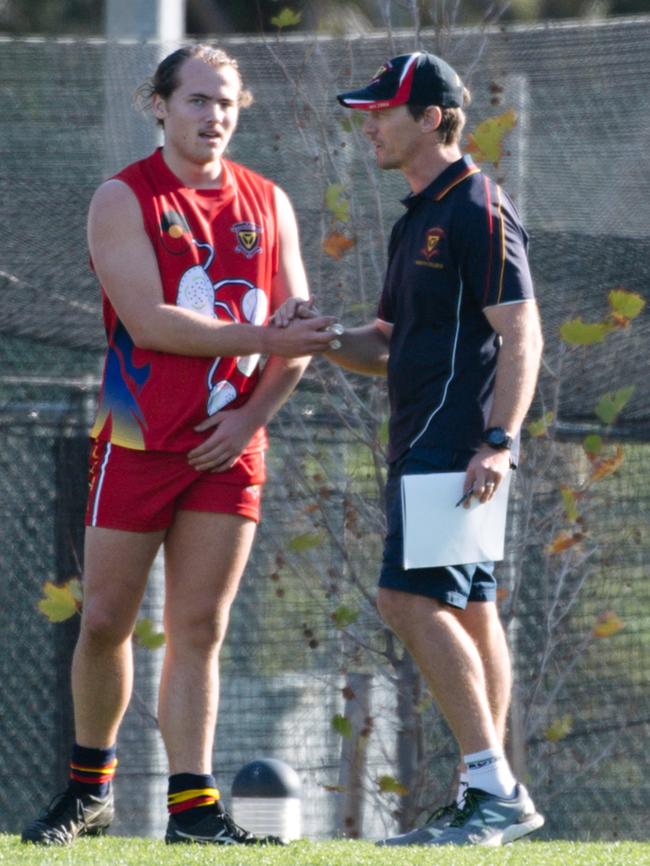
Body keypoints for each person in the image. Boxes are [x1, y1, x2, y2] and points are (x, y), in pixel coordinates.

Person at [21, 44, 337, 847]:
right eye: (197, 100)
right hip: (138, 434)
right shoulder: (122, 197)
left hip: (228, 441)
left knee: (201, 625)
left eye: (226, 102)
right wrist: (268, 333)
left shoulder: (270, 201)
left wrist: (248, 417)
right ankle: (89, 791)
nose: (214, 116)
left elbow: (295, 338)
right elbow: (152, 321)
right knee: (103, 620)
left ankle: (193, 811)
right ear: (159, 106)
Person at [273, 52, 545, 847]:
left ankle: (490, 787)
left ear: (431, 118)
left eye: (383, 111)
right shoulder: (416, 215)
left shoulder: (476, 207)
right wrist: (324, 339)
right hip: (426, 439)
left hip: (454, 443)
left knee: (406, 601)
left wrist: (499, 439)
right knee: (469, 606)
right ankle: (490, 792)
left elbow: (522, 331)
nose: (370, 124)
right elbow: (387, 344)